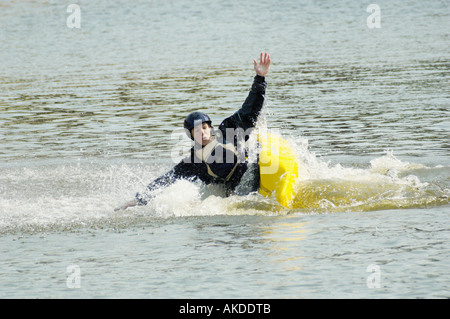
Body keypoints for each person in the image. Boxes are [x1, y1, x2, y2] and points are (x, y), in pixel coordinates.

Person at [115, 52, 271, 211]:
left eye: (204, 128)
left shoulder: (228, 130)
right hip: (238, 189)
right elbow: (167, 179)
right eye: (197, 131)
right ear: (191, 135)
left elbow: (250, 109)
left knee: (255, 151)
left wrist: (260, 78)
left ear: (210, 128)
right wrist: (138, 199)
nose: (202, 133)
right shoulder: (194, 161)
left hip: (251, 168)